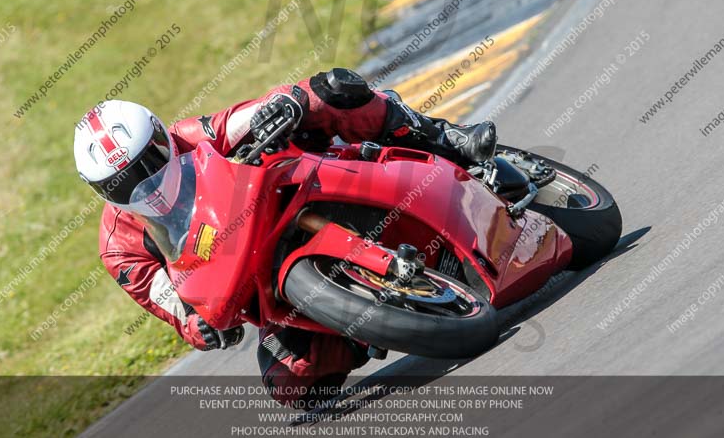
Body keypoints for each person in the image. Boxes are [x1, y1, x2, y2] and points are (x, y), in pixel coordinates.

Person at [73, 68, 496, 407]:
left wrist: (286, 102)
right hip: (266, 279)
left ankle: (442, 137)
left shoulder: (193, 137)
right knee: (290, 384)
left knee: (329, 90)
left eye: (151, 160)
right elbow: (169, 300)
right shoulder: (119, 247)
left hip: (294, 194)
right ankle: (367, 324)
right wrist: (194, 324)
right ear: (102, 192)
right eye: (122, 184)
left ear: (163, 136)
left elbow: (245, 116)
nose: (146, 184)